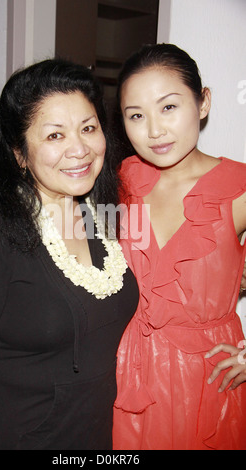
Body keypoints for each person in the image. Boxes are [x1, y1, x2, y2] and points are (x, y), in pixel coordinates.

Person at [0, 58, 139, 450]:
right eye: (55, 136)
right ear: (18, 153)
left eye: (88, 128)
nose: (80, 149)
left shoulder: (106, 214)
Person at [112, 43, 246, 450]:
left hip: (208, 383)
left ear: (202, 103)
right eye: (136, 115)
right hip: (129, 379)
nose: (153, 130)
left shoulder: (238, 188)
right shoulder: (123, 181)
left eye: (168, 107)